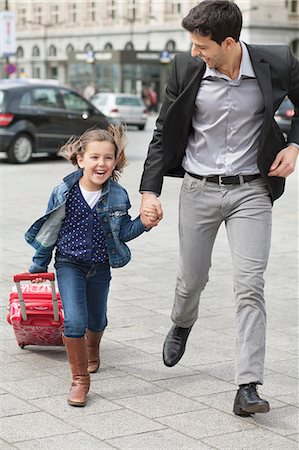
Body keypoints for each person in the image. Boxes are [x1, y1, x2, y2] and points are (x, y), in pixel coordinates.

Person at [139, 0, 299, 417]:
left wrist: (295, 145)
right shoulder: (185, 68)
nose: (195, 52)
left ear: (229, 42)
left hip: (251, 191)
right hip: (198, 188)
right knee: (192, 279)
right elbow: (163, 131)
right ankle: (182, 321)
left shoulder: (277, 61)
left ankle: (248, 384)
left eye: (202, 45)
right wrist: (149, 191)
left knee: (250, 284)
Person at [25, 125, 157, 407]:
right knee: (74, 320)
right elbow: (49, 231)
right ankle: (79, 381)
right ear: (80, 159)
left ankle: (92, 348)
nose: (101, 163)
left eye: (108, 158)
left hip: (100, 267)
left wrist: (144, 224)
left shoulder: (119, 195)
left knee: (96, 320)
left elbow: (122, 232)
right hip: (68, 263)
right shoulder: (63, 191)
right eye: (95, 157)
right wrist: (38, 268)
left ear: (115, 162)